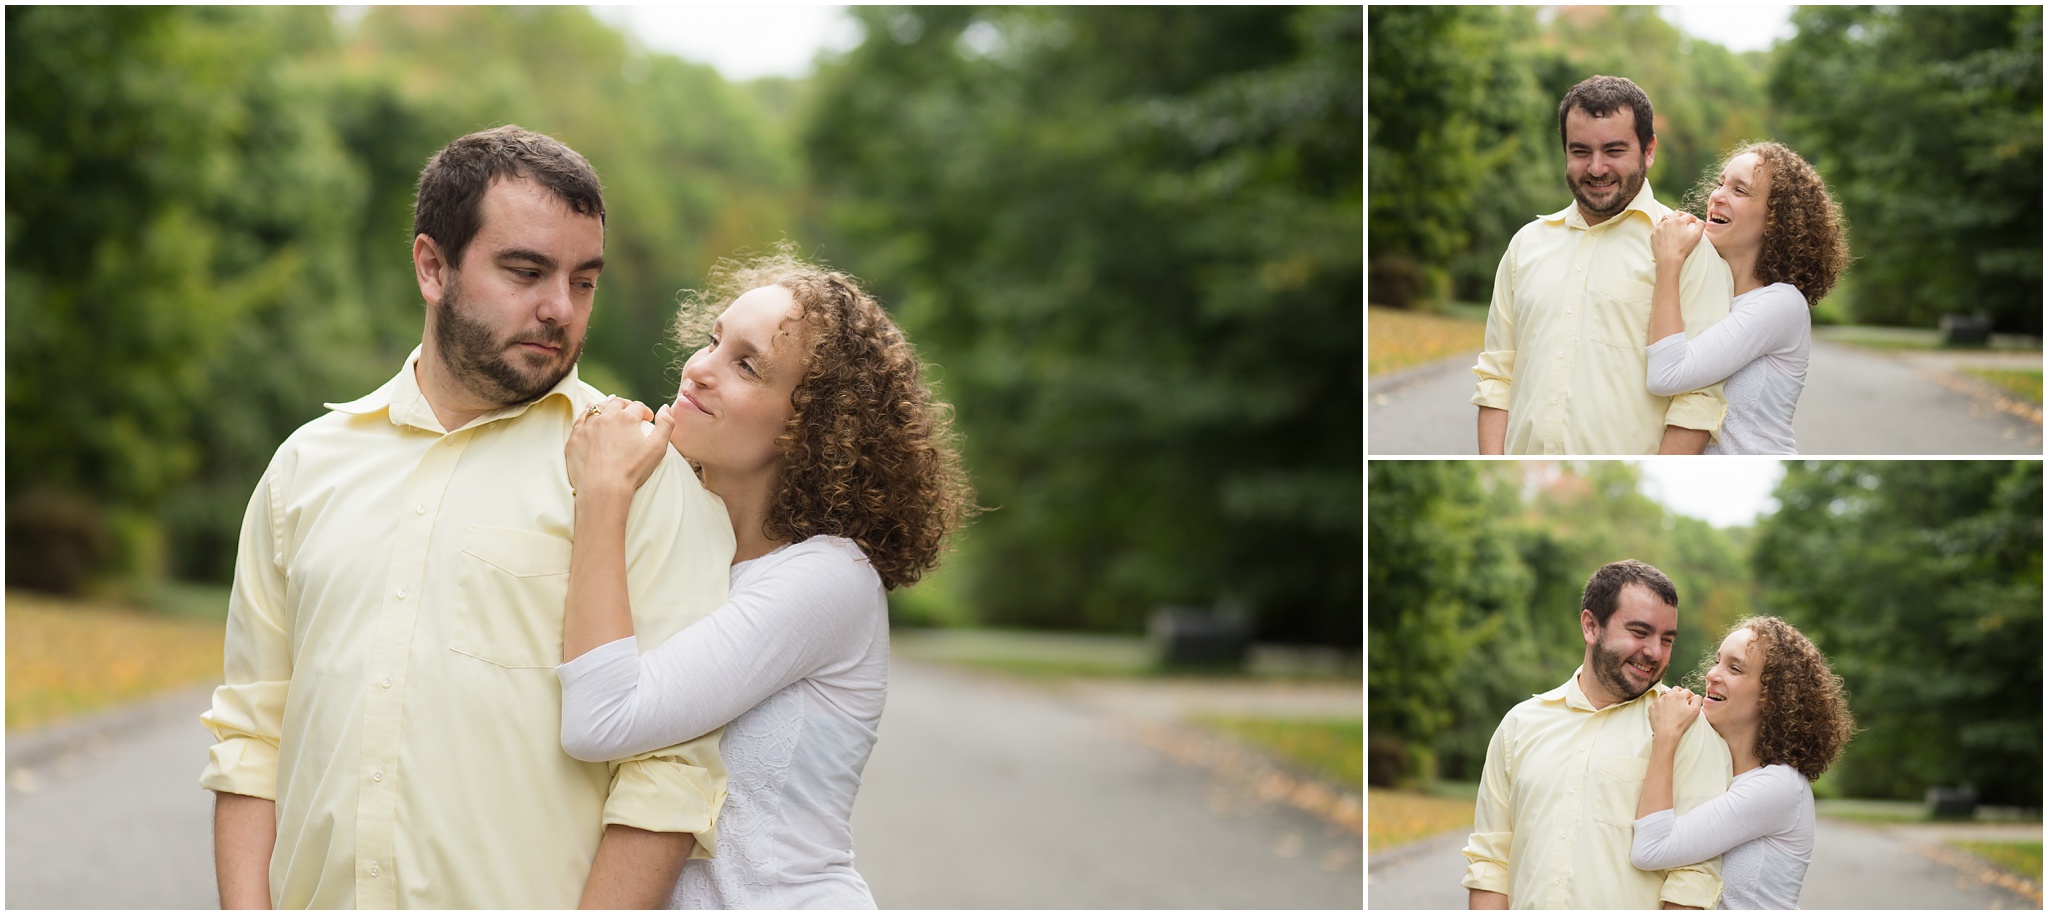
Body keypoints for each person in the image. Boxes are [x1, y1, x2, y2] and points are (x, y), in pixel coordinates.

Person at [200, 125, 735, 908]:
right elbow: (252, 737)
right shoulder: (304, 468)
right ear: (432, 266)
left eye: (584, 281)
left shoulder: (637, 472)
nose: (559, 308)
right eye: (525, 271)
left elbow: (669, 775)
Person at [555, 247, 974, 908]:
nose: (698, 370)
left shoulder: (827, 578)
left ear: (808, 430)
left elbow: (600, 718)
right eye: (713, 341)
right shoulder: (690, 542)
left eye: (745, 365)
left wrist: (603, 490)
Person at [1473, 74, 1734, 455]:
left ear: (1649, 150)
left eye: (1614, 151)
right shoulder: (1525, 245)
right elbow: (1497, 377)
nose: (1596, 169)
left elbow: (1698, 401)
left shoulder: (1689, 250)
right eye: (1580, 152)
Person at [1463, 559, 1734, 909]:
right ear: (1591, 626)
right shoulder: (1519, 725)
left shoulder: (1688, 728)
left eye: (1666, 639)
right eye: (1639, 632)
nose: (1654, 652)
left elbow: (1694, 877)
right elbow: (1490, 862)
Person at [1631, 617, 1856, 909]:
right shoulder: (1712, 767)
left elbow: (1650, 849)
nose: (1712, 674)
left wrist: (1666, 736)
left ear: (1771, 696)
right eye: (1717, 661)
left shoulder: (1778, 786)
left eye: (1734, 668)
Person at [1644, 143, 1851, 454]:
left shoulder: (1781, 304)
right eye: (1720, 183)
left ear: (1774, 220)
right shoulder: (1706, 289)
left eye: (1739, 191)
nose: (1717, 196)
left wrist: (1669, 260)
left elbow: (1667, 374)